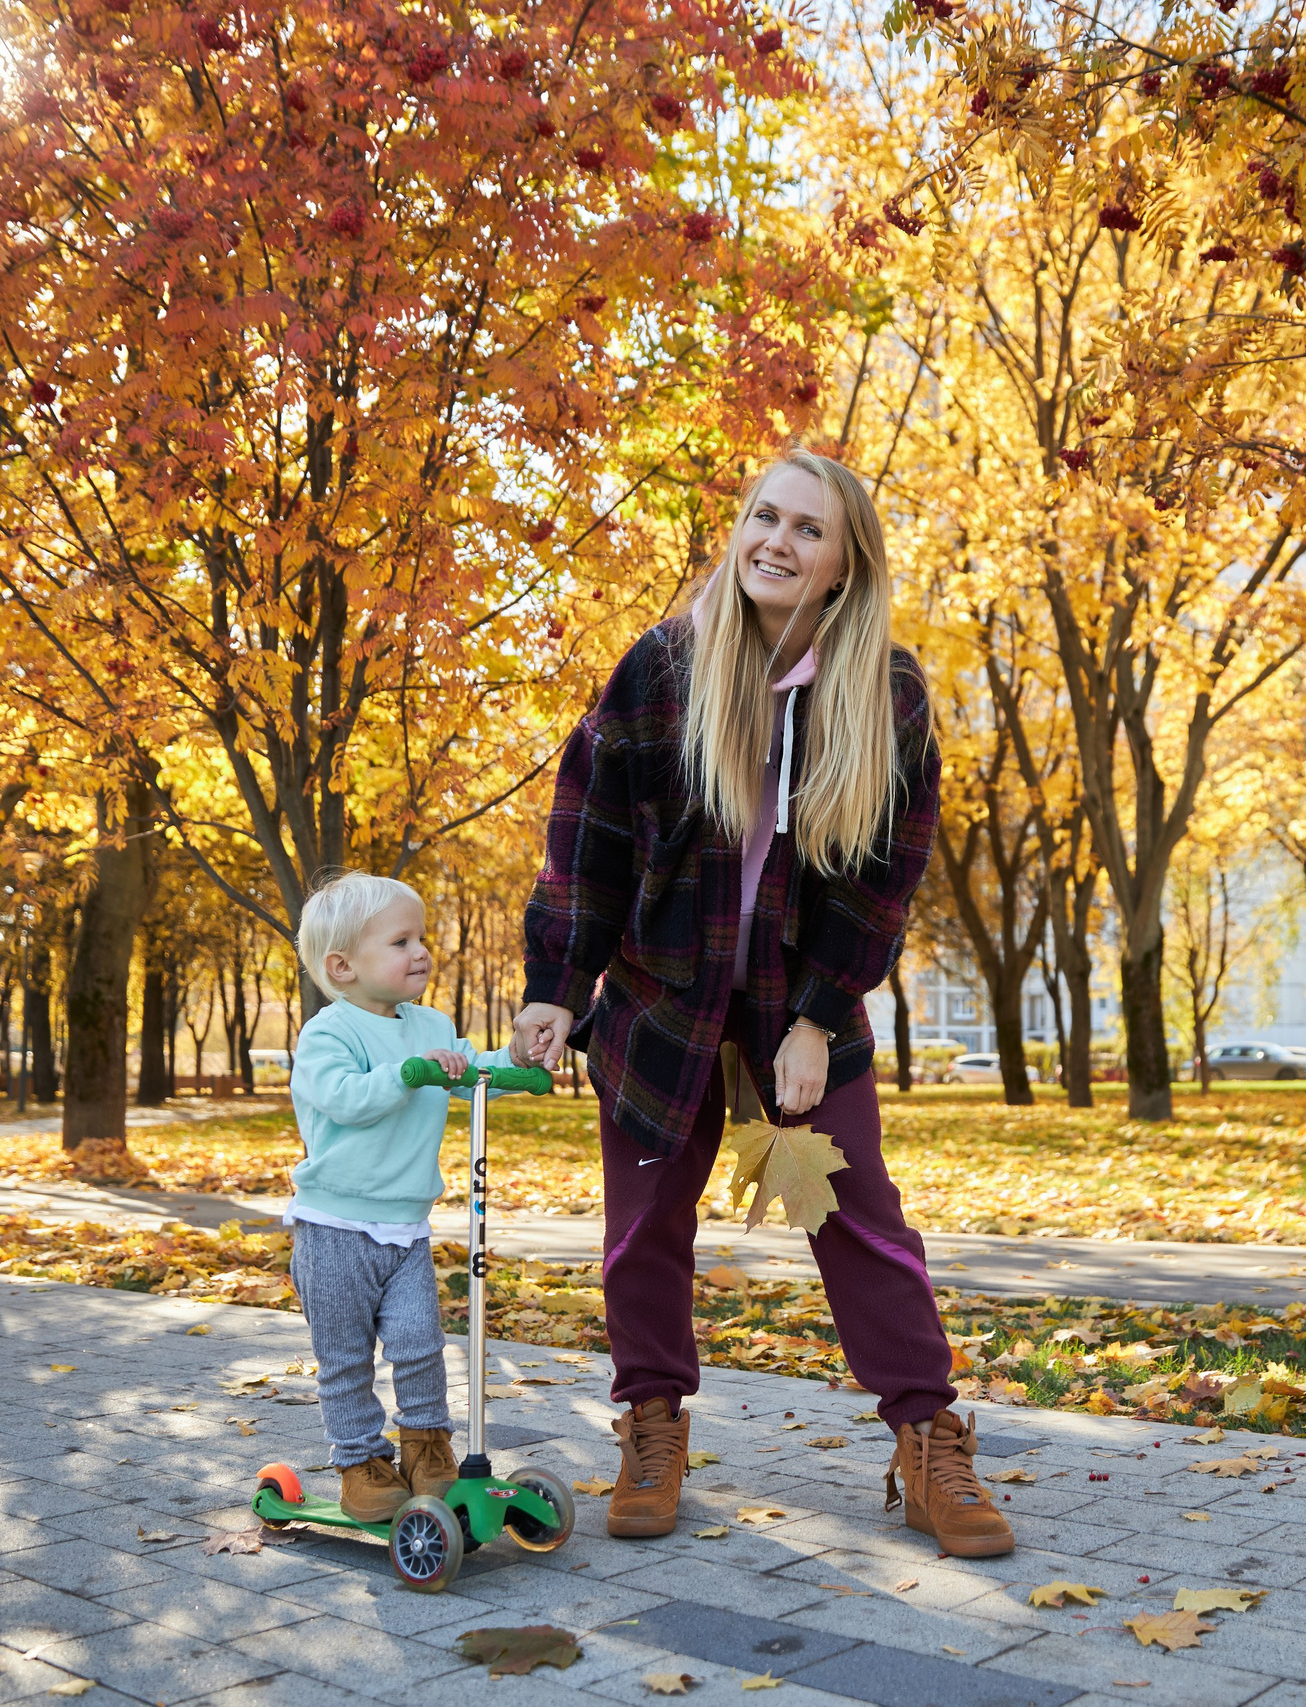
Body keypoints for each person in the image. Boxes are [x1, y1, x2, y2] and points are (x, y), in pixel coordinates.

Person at [512, 451, 1012, 1558]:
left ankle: (926, 1437)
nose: (775, 543)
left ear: (843, 566)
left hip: (799, 1005)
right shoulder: (663, 669)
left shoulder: (886, 695)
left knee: (857, 1220)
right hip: (660, 1002)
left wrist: (818, 1020)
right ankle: (651, 1422)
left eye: (807, 531)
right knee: (643, 1229)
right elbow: (583, 843)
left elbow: (885, 877)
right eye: (764, 519)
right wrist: (558, 987)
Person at [284, 870, 510, 1521]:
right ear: (343, 965)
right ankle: (360, 1459)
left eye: (421, 937)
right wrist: (408, 1073)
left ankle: (427, 1449)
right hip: (334, 1230)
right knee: (347, 1357)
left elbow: (470, 1068)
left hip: (406, 1228)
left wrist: (515, 1060)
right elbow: (346, 1100)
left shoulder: (429, 1023)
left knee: (418, 1341)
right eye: (400, 940)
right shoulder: (328, 1034)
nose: (420, 951)